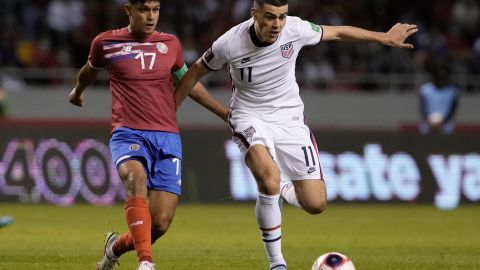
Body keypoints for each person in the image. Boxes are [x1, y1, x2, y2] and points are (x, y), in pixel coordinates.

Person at [174, 0, 418, 269]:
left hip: (290, 121)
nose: (277, 24)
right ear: (254, 14)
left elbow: (337, 32)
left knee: (315, 204)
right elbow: (194, 71)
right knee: (268, 179)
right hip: (249, 116)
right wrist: (171, 109)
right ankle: (277, 262)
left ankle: (281, 189)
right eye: (269, 17)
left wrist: (383, 37)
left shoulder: (296, 29)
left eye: (281, 17)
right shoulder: (230, 42)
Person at [68, 1, 225, 270]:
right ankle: (146, 263)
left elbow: (189, 83)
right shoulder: (106, 42)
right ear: (128, 9)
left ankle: (114, 248)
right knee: (135, 176)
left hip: (166, 137)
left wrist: (225, 113)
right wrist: (77, 91)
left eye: (156, 9)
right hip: (127, 132)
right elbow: (88, 72)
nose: (151, 16)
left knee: (160, 223)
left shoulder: (170, 44)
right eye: (144, 9)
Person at [419, 60, 459, 134]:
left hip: (446, 125)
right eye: (438, 73)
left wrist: (442, 122)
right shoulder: (425, 89)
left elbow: (453, 110)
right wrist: (429, 120)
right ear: (433, 74)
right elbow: (422, 108)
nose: (441, 75)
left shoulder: (452, 91)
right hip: (428, 124)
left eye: (443, 73)